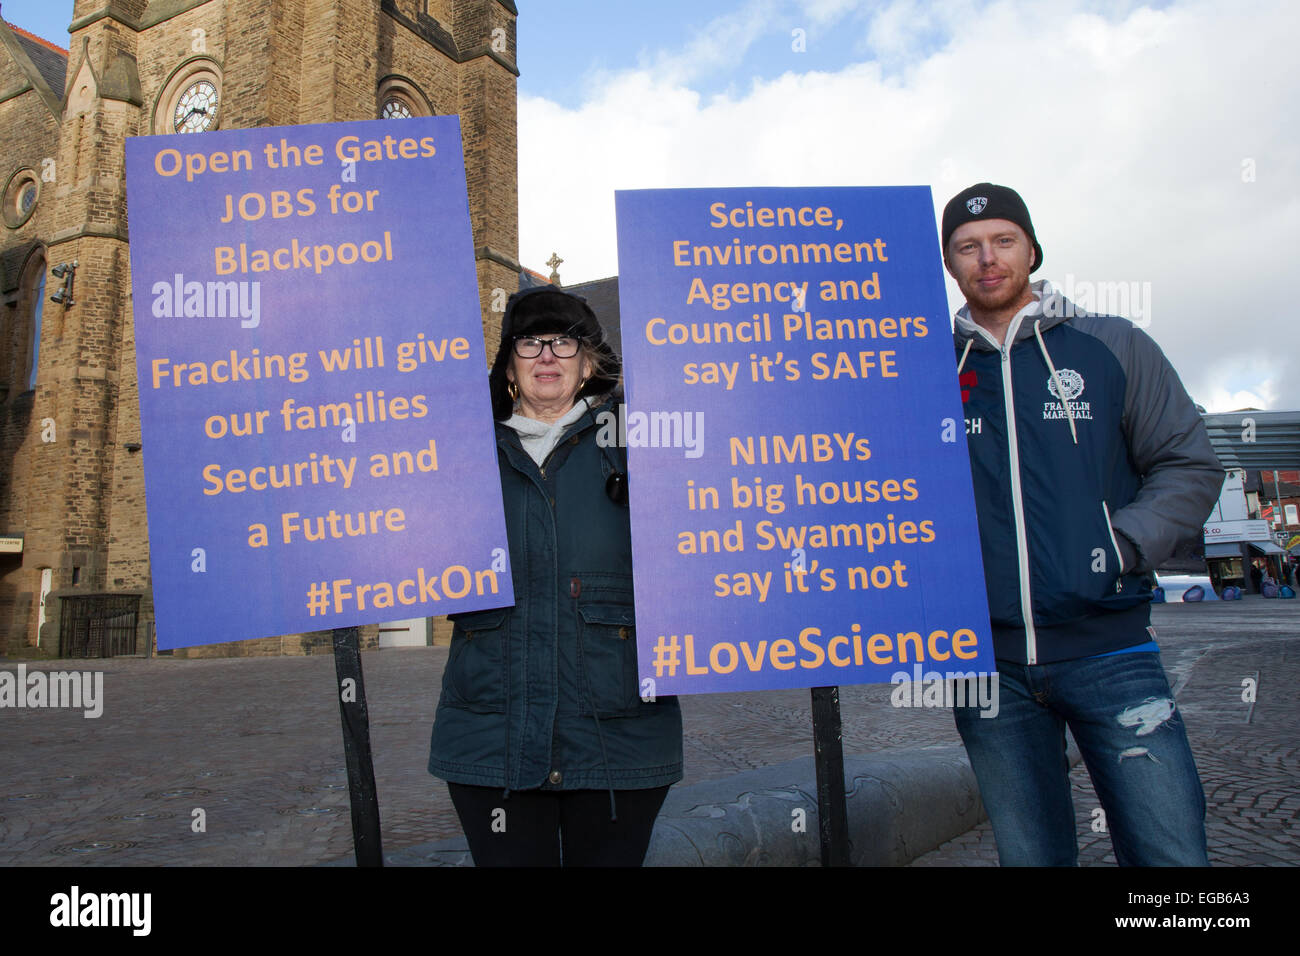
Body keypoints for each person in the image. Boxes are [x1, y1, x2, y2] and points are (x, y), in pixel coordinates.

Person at [943, 183, 1223, 866]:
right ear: (950, 265)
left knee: (1170, 856)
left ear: (1031, 250)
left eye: (1003, 241)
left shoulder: (1112, 345)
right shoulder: (927, 370)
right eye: (967, 247)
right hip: (988, 667)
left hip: (1112, 653)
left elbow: (1188, 463)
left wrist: (1120, 544)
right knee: (1032, 858)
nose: (987, 258)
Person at [428, 286, 682, 866]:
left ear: (588, 361)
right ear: (510, 366)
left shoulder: (645, 443)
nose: (547, 354)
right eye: (530, 342)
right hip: (491, 737)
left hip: (620, 738)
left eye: (564, 341)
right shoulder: (458, 454)